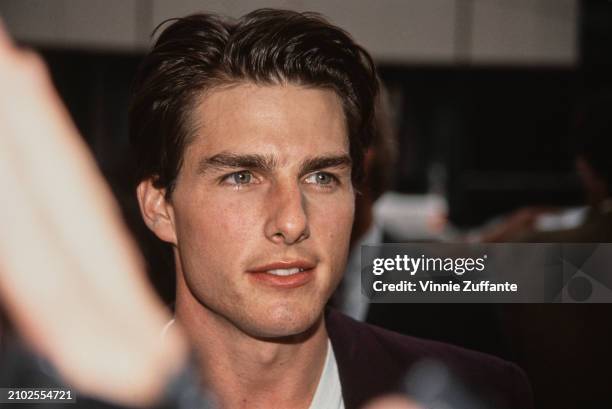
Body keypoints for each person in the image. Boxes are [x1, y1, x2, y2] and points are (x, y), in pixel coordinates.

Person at [129, 9, 533, 409]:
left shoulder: (484, 393)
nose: (292, 221)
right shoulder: (86, 396)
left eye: (321, 177)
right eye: (242, 177)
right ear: (159, 207)